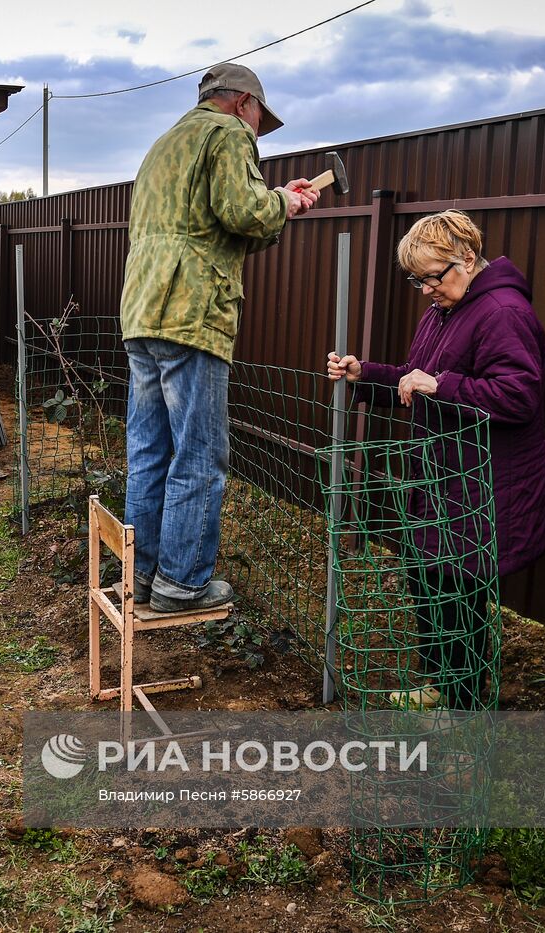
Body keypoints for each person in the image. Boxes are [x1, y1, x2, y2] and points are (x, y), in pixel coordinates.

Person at [326, 210, 545, 709]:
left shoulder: (502, 312)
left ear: (467, 259)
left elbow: (519, 397)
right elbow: (417, 377)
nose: (426, 289)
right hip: (440, 480)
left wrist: (439, 385)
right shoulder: (446, 309)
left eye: (432, 276)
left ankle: (462, 706)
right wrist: (367, 375)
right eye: (417, 280)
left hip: (485, 485)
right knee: (427, 582)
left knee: (459, 599)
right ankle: (436, 684)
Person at [120, 62, 319, 614]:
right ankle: (181, 584)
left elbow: (219, 228)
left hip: (142, 311)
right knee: (200, 453)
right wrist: (285, 202)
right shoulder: (228, 133)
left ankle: (139, 573)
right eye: (260, 119)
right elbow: (244, 210)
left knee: (148, 450)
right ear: (242, 104)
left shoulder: (164, 144)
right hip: (192, 312)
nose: (257, 132)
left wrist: (278, 202)